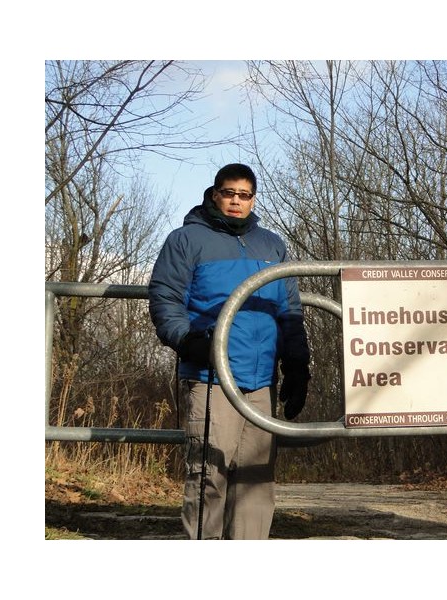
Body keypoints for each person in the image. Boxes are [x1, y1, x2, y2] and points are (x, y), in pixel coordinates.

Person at [148, 163, 311, 540]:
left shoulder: (272, 245)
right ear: (214, 193)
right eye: (229, 193)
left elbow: (289, 309)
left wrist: (298, 362)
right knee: (210, 475)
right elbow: (165, 298)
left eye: (244, 195)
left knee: (256, 480)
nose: (236, 202)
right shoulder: (186, 240)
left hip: (260, 381)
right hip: (211, 377)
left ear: (253, 199)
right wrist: (188, 340)